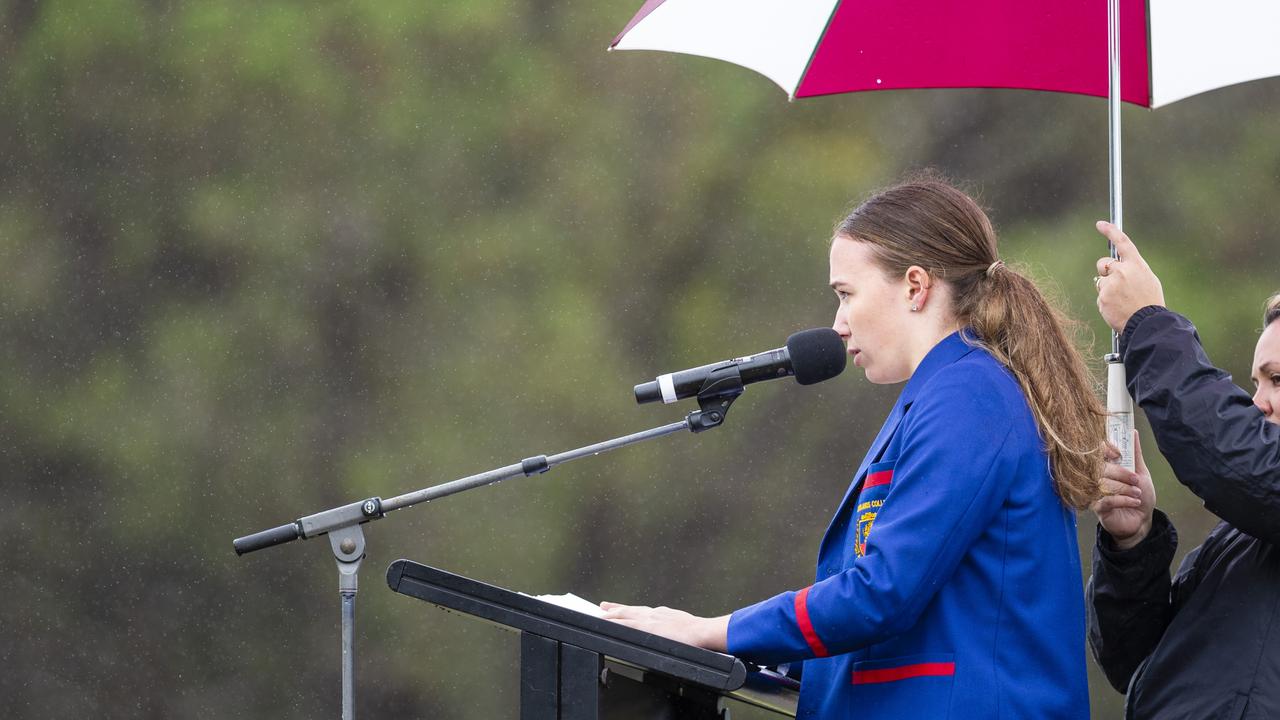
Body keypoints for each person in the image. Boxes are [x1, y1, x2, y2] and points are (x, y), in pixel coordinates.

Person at [601, 178, 1105, 719]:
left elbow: (881, 593)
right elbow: (904, 607)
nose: (838, 324)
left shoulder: (969, 395)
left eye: (846, 294)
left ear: (915, 286)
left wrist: (714, 632)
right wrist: (746, 648)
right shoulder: (947, 391)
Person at [1088, 221, 1280, 719]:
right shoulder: (1240, 539)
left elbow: (1235, 460)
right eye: (1256, 381)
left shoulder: (1259, 492)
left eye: (1278, 381)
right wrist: (1135, 544)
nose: (1257, 402)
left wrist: (1147, 321)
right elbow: (1136, 664)